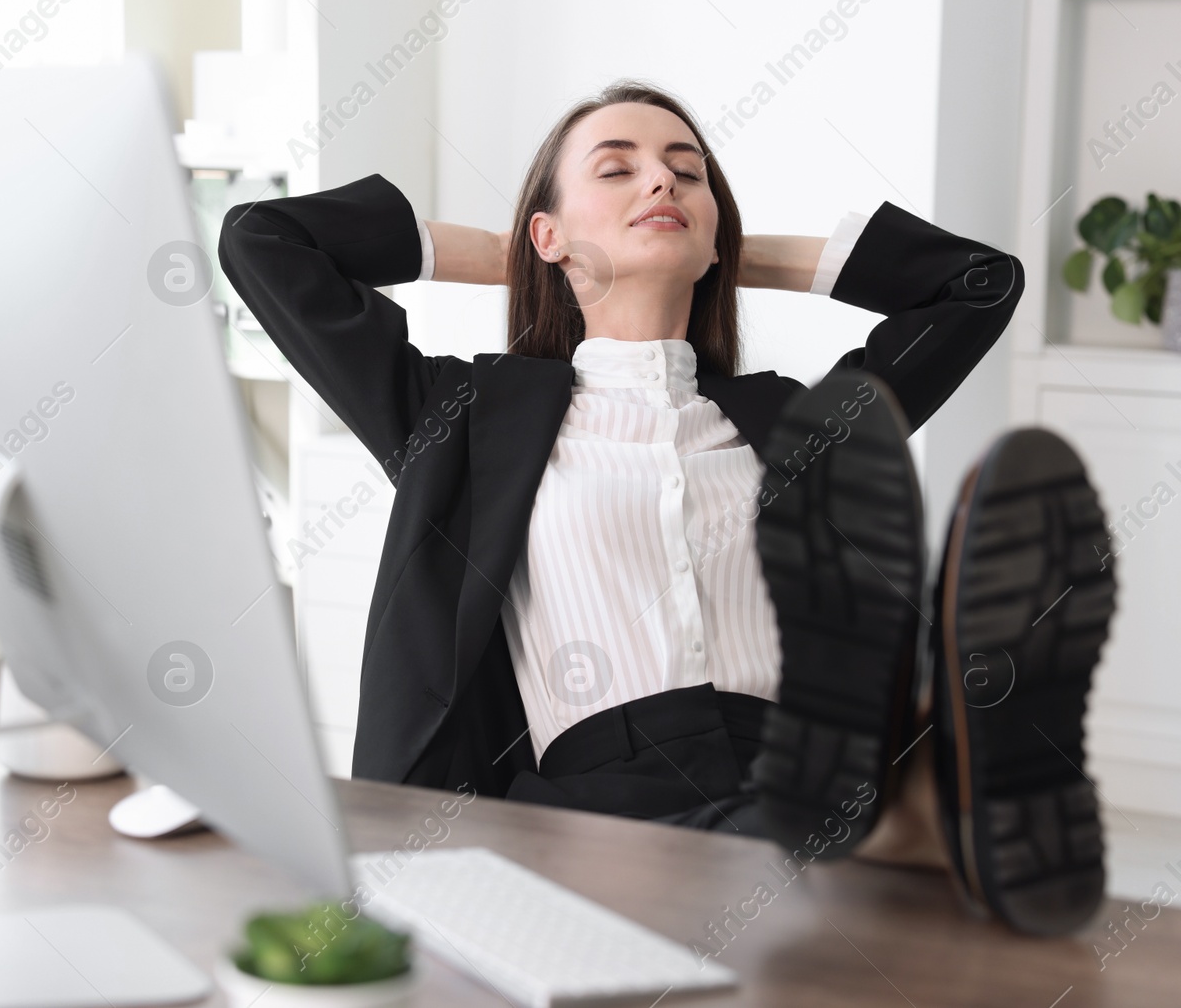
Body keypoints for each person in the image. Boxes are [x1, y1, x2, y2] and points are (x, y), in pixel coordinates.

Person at [217, 80, 1115, 936]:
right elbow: (263, 240)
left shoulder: (800, 427)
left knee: (802, 855)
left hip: (791, 766)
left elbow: (980, 284)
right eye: (618, 168)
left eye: (688, 174)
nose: (661, 179)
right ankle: (929, 806)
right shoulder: (462, 421)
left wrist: (732, 252)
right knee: (805, 869)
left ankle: (907, 799)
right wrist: (514, 257)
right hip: (599, 800)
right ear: (546, 233)